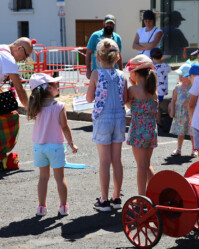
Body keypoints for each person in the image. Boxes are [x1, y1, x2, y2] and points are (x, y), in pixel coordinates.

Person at [27, 73, 78, 216]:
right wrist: (71, 144)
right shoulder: (59, 106)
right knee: (60, 178)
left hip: (39, 147)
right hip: (55, 147)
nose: (58, 85)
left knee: (43, 178)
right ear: (49, 88)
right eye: (55, 84)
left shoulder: (35, 106)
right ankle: (63, 207)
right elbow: (65, 127)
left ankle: (41, 207)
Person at [86, 38, 127, 211]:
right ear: (117, 58)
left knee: (104, 161)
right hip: (119, 118)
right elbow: (124, 99)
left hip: (103, 119)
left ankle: (104, 200)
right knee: (117, 160)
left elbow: (89, 98)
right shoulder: (121, 75)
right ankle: (117, 198)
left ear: (98, 56)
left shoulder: (96, 74)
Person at [125, 54, 158, 196]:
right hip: (151, 131)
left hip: (138, 131)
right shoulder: (153, 92)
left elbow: (127, 104)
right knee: (146, 165)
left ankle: (142, 197)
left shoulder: (132, 91)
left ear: (135, 72)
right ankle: (157, 192)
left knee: (141, 166)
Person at [0, 37, 33, 165]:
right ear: (19, 48)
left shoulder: (2, 47)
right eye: (26, 55)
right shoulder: (9, 59)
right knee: (10, 118)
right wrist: (31, 110)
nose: (25, 59)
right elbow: (20, 89)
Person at [169, 63, 199, 157]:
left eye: (182, 76)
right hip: (180, 113)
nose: (180, 77)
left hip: (190, 114)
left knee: (192, 132)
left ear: (189, 76)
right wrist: (172, 110)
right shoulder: (178, 87)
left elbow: (197, 100)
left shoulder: (193, 87)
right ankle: (178, 148)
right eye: (179, 75)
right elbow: (173, 100)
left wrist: (190, 104)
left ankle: (194, 149)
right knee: (181, 132)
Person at [86, 14, 123, 79]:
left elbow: (119, 55)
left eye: (111, 23)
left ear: (114, 25)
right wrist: (88, 70)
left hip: (113, 73)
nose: (109, 25)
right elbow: (88, 53)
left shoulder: (117, 38)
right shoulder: (95, 36)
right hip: (97, 73)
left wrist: (121, 70)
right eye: (107, 23)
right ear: (103, 23)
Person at [150, 47, 172, 126]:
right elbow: (170, 69)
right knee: (160, 104)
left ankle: (159, 121)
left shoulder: (153, 69)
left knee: (157, 106)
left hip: (158, 91)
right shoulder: (165, 66)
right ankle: (160, 120)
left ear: (152, 58)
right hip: (164, 90)